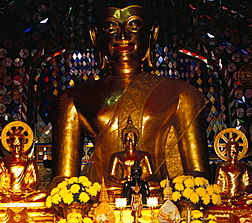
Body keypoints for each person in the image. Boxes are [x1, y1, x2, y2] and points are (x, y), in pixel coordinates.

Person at [50, 2, 210, 191]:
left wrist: (171, 195)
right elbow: (64, 181)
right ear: (95, 36)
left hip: (160, 203)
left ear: (153, 34)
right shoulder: (73, 98)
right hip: (101, 205)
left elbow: (198, 178)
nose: (123, 36)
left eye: (134, 25)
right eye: (111, 27)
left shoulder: (182, 94)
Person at [0, 126, 47, 202]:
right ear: (10, 145)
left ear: (23, 145)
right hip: (7, 194)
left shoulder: (29, 161)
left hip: (25, 194)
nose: (16, 148)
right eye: (14, 146)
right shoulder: (3, 161)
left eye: (18, 146)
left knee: (45, 194)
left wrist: (26, 189)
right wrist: (5, 190)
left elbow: (35, 181)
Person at [109, 116, 154, 184]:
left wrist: (142, 181)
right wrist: (119, 181)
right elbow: (111, 175)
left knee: (154, 187)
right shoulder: (117, 155)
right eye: (127, 139)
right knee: (111, 188)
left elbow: (151, 173)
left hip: (140, 182)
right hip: (124, 182)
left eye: (133, 139)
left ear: (137, 140)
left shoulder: (144, 155)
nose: (130, 142)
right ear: (123, 140)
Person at [215, 138, 252, 205]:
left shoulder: (244, 166)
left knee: (249, 198)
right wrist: (224, 194)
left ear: (238, 151)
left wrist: (243, 192)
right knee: (217, 198)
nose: (233, 154)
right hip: (226, 197)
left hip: (241, 197)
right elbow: (218, 186)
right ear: (227, 152)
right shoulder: (222, 166)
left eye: (235, 151)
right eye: (231, 151)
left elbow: (248, 183)